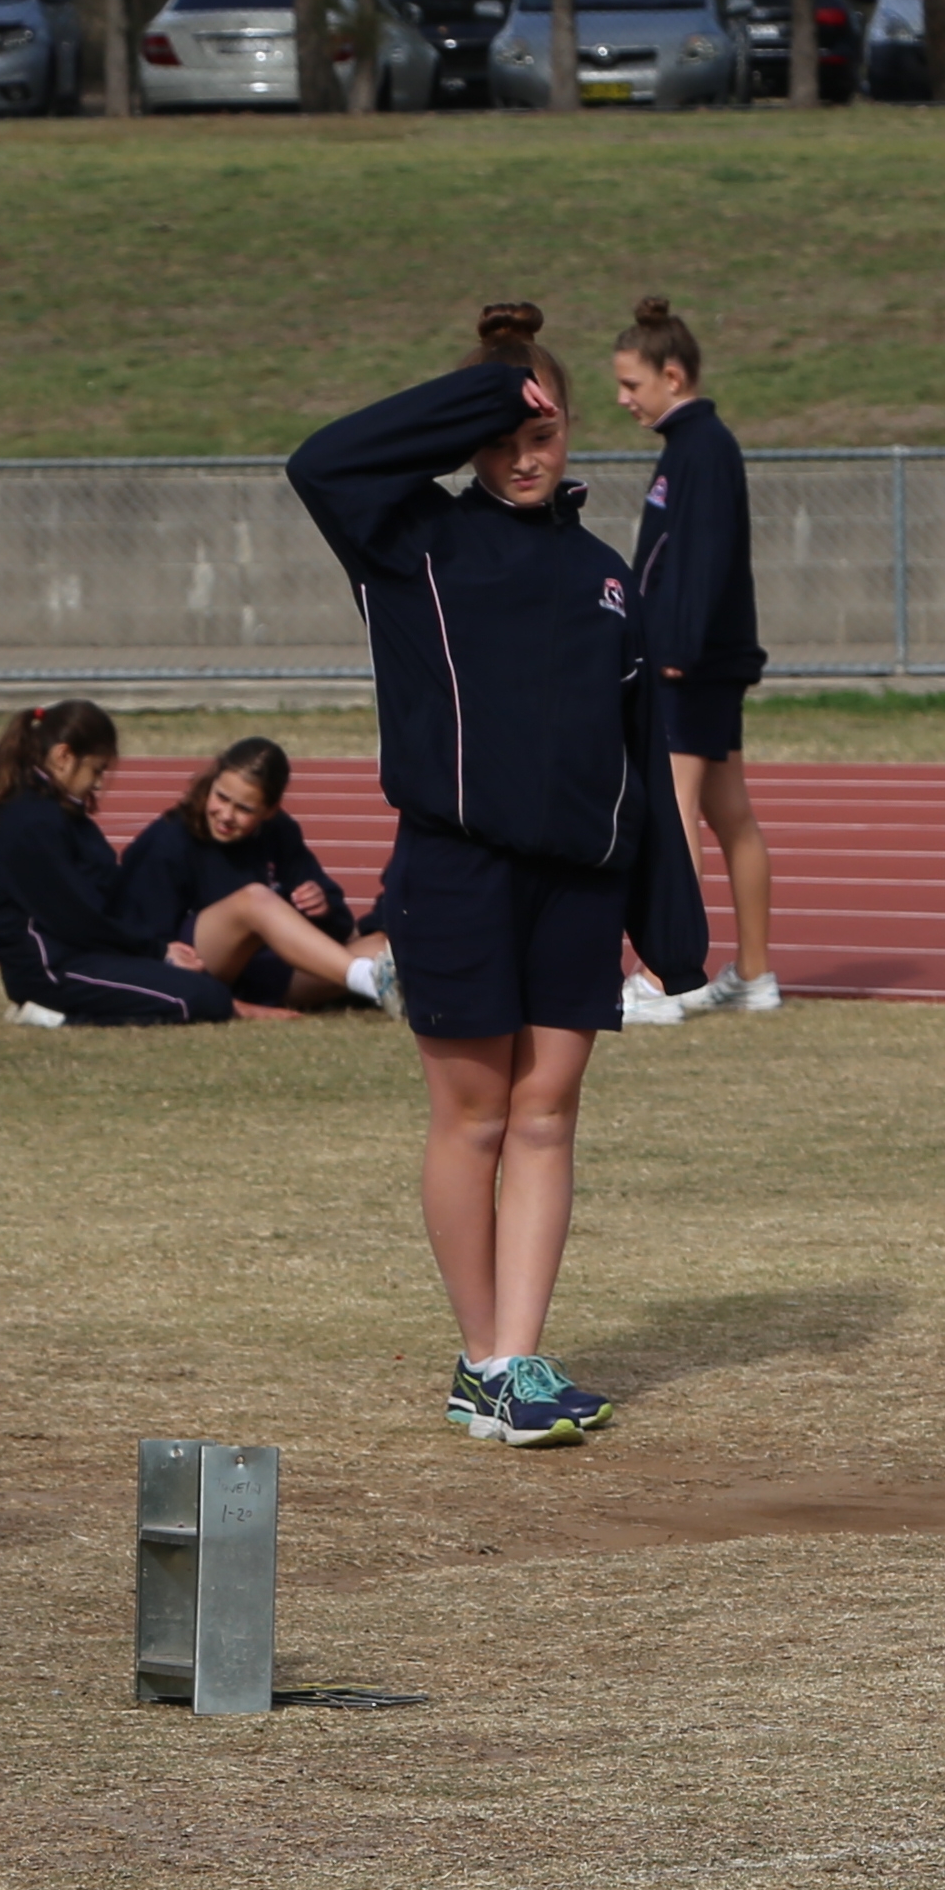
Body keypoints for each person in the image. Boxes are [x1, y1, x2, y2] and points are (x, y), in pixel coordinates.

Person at [284, 301, 706, 1447]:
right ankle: (482, 1357)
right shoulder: (410, 541)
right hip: (457, 873)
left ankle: (520, 1358)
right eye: (505, 436)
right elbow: (319, 461)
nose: (527, 457)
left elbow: (640, 761)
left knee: (548, 1116)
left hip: (578, 885)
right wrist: (491, 386)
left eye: (548, 431)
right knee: (472, 1117)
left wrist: (668, 926)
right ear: (471, 436)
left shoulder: (608, 577)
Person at [611, 297, 776, 1017]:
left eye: (631, 385)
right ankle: (755, 975)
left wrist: (674, 648)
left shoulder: (702, 448)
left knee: (672, 812)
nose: (622, 400)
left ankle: (663, 976)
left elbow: (703, 559)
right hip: (705, 659)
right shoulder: (688, 448)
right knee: (729, 812)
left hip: (694, 664)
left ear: (672, 376)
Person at [0, 698, 234, 1024]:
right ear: (63, 756)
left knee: (207, 990)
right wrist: (155, 952)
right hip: (54, 970)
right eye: (97, 770)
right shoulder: (32, 819)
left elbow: (100, 890)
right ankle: (55, 1016)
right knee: (203, 999)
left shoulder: (55, 809)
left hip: (81, 955)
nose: (97, 782)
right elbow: (77, 914)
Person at [122, 738, 393, 1012]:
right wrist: (235, 1008)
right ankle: (373, 983)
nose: (226, 815)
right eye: (221, 797)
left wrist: (323, 907)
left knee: (382, 947)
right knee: (255, 901)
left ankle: (385, 983)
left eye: (244, 809)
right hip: (193, 970)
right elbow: (140, 945)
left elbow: (340, 925)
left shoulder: (280, 831)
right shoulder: (168, 841)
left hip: (267, 972)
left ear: (270, 810)